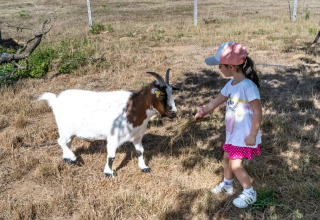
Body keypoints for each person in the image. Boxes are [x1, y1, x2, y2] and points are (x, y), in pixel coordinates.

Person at [195, 42, 262, 208]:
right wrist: (203, 111)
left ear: (231, 66)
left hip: (244, 134)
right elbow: (216, 101)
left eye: (220, 65)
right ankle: (227, 185)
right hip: (233, 133)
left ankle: (249, 192)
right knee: (226, 158)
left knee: (235, 164)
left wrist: (252, 134)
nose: (219, 68)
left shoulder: (248, 87)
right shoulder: (230, 85)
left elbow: (258, 112)